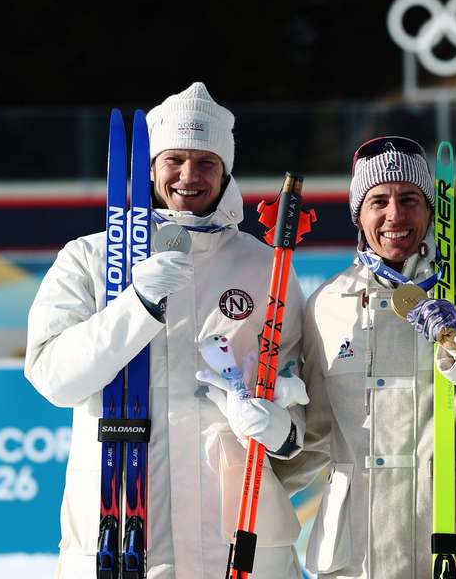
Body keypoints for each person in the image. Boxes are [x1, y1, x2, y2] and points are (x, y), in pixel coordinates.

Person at [25, 82, 307, 578]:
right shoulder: (88, 258)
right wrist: (136, 305)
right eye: (174, 159)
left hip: (241, 545)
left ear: (226, 170)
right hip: (122, 535)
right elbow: (54, 379)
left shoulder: (267, 267)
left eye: (206, 162)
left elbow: (299, 400)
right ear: (151, 166)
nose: (189, 176)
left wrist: (282, 428)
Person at [272, 136, 456, 578]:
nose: (395, 214)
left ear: (429, 210)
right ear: (358, 214)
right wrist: (241, 487)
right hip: (360, 557)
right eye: (378, 201)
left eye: (409, 198)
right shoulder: (327, 305)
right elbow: (315, 438)